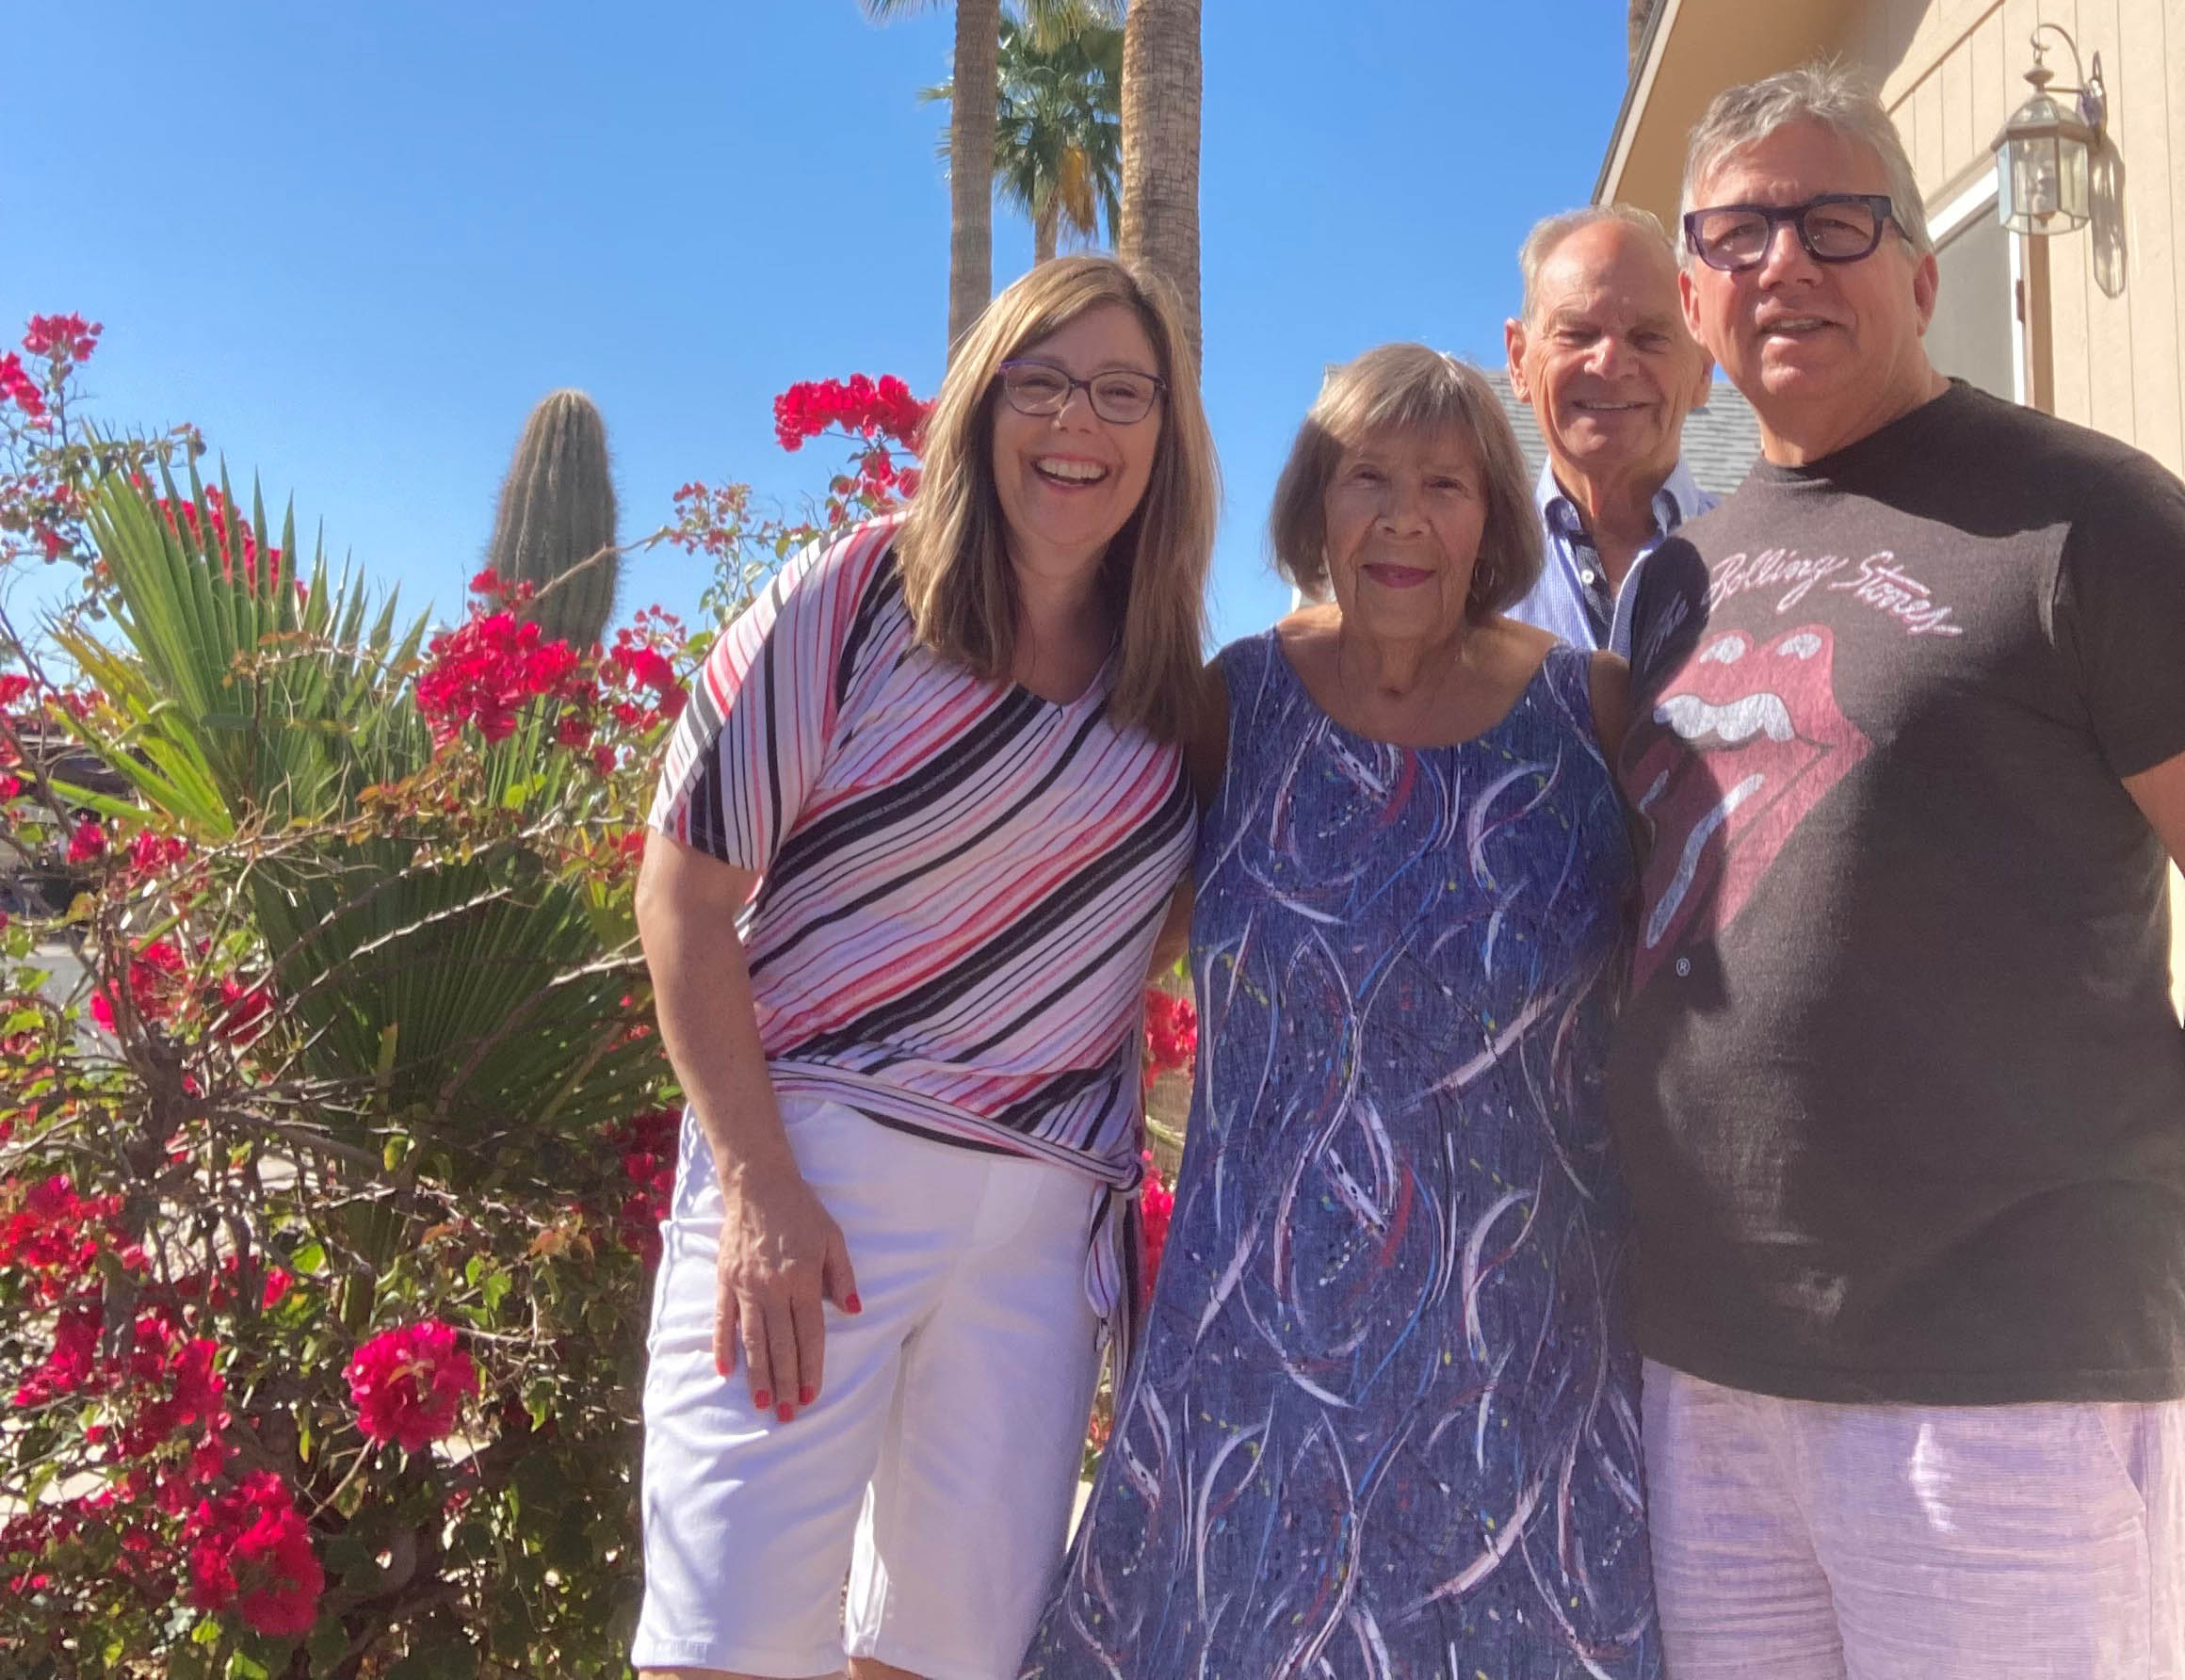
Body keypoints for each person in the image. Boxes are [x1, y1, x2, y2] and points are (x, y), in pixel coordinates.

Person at [1611, 64, 2185, 1678]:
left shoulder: (2089, 523)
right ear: (1700, 293)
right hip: (1710, 1373)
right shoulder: (1686, 571)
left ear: (1921, 270)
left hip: (2001, 1374)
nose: (1784, 260)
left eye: (1832, 221)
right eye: (1737, 233)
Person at [1023, 345, 1659, 1679]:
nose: (1404, 518)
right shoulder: (1229, 707)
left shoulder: (1588, 715)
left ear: (1493, 514)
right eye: (1366, 478)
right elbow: (1097, 928)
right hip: (1254, 1365)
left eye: (1445, 482)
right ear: (1314, 503)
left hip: (1519, 1367)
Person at [630, 253, 1219, 1680]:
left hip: (1038, 1230)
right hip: (812, 1185)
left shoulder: (1170, 683)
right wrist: (761, 1186)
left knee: (943, 1654)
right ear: (983, 401)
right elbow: (685, 898)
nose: (1078, 423)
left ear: (1166, 434)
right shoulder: (852, 600)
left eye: (1121, 393)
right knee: (727, 1646)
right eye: (1044, 381)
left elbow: (1167, 935)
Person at [1501, 204, 1717, 655]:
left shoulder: (1768, 569)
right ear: (1519, 360)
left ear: (1703, 369)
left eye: (1649, 337)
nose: (1612, 365)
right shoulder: (1461, 573)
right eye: (1577, 333)